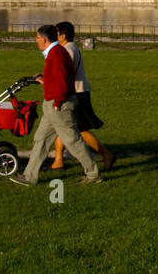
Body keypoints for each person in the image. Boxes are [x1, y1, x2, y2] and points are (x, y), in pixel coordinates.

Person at [10, 24, 102, 186]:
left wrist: (58, 103)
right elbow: (59, 78)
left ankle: (93, 174)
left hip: (59, 105)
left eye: (37, 37)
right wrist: (44, 80)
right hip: (53, 104)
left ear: (44, 39)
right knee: (41, 139)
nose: (35, 40)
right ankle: (29, 177)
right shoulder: (56, 52)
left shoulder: (56, 54)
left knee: (73, 141)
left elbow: (62, 82)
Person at [48, 20, 115, 172]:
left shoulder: (68, 50)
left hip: (77, 93)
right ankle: (58, 160)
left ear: (63, 36)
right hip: (76, 91)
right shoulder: (67, 48)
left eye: (56, 34)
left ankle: (106, 154)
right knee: (62, 126)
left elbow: (64, 75)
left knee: (78, 130)